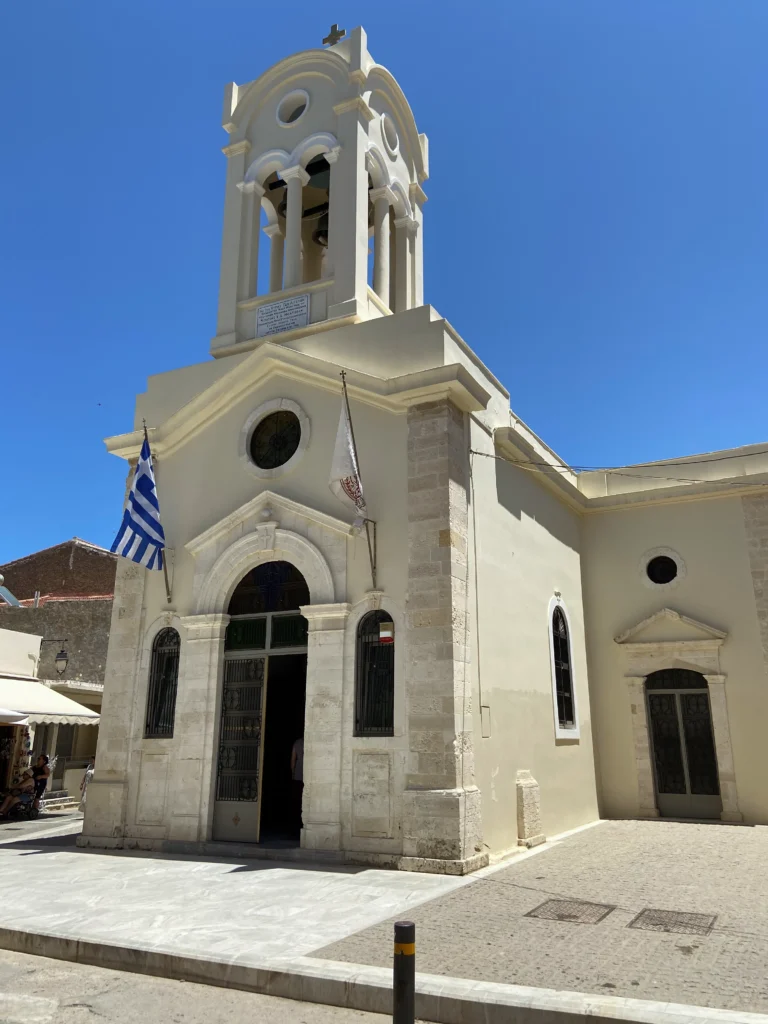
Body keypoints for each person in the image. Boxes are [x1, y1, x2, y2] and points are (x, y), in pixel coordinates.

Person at [290, 736, 304, 836]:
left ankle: (296, 828)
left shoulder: (297, 743)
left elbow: (293, 759)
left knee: (297, 801)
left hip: (298, 774)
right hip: (308, 774)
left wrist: (293, 773)